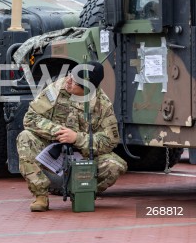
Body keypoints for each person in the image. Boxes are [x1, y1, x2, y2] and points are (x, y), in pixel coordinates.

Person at [16, 61, 127, 212]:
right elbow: (30, 118)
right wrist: (58, 131)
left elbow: (110, 141)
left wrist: (77, 138)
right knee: (25, 138)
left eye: (74, 82)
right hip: (53, 147)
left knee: (115, 166)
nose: (68, 81)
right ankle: (41, 195)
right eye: (70, 75)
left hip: (83, 154)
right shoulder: (57, 89)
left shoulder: (102, 105)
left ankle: (83, 191)